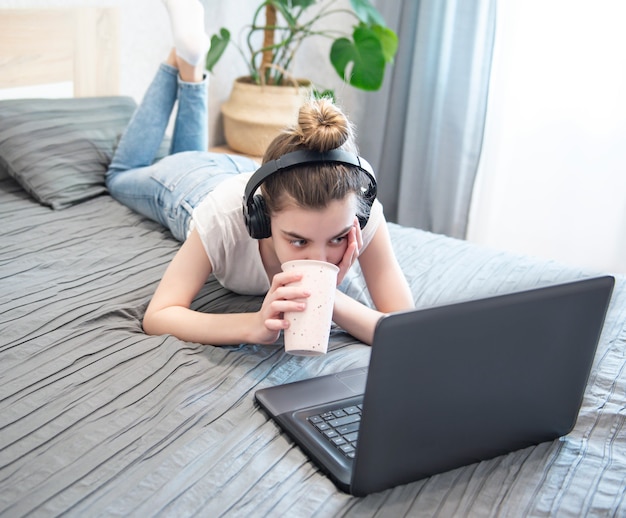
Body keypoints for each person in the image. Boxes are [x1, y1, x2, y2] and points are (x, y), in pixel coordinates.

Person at [106, 0, 414, 347]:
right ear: (260, 220)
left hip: (256, 171)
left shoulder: (353, 205)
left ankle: (191, 62)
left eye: (337, 239)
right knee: (120, 176)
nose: (320, 259)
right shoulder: (225, 217)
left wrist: (330, 297)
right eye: (298, 241)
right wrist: (253, 326)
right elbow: (159, 315)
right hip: (191, 184)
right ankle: (182, 60)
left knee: (188, 151)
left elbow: (406, 331)